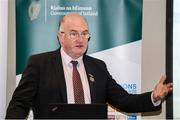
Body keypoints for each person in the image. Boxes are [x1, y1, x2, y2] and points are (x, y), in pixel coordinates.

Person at [6, 13, 173, 119]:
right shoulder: (39, 64)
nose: (81, 39)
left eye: (85, 33)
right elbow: (19, 105)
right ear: (60, 37)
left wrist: (154, 97)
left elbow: (124, 100)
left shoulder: (98, 67)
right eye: (74, 33)